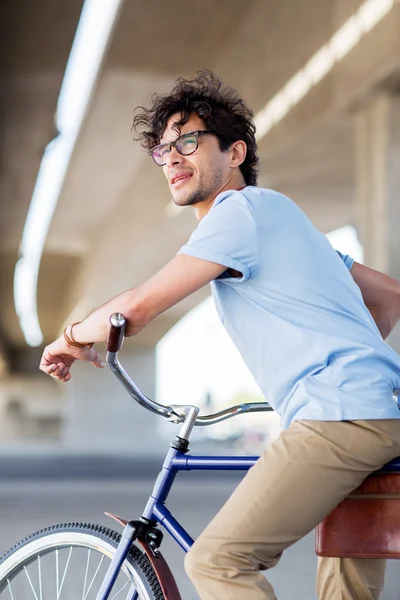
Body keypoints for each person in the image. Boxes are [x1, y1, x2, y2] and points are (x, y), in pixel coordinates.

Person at [40, 70, 400, 600]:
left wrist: (69, 335)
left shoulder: (239, 212)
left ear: (235, 153)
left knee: (217, 562)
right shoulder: (280, 215)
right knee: (345, 591)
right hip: (374, 412)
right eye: (163, 151)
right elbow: (391, 295)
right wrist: (357, 367)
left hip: (338, 417)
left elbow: (137, 308)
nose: (173, 158)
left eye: (189, 141)